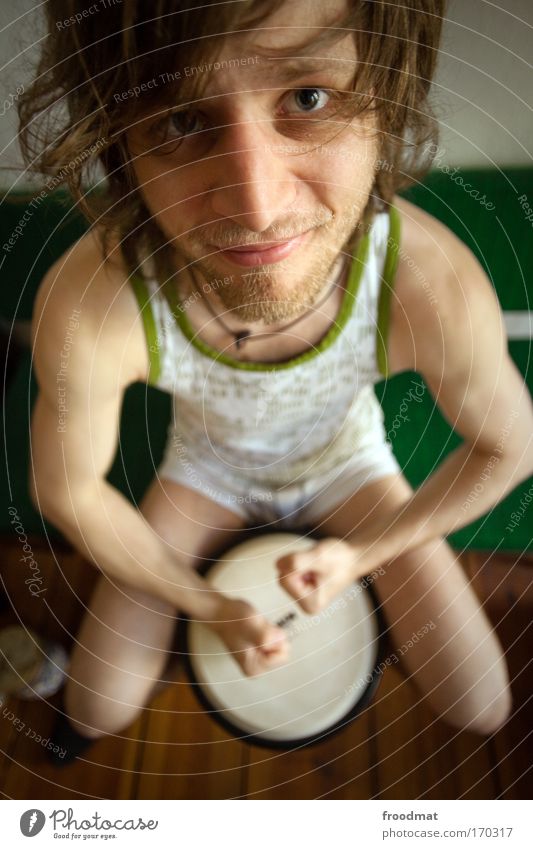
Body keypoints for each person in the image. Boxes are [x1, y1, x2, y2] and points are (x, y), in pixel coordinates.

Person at [21, 0, 532, 762]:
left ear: (384, 99)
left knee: (481, 702)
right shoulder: (96, 297)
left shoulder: (426, 281)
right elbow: (69, 492)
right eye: (183, 119)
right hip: (205, 470)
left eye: (307, 97)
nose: (257, 207)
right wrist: (205, 604)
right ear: (119, 141)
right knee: (95, 703)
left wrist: (358, 559)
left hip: (346, 464)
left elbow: (510, 449)